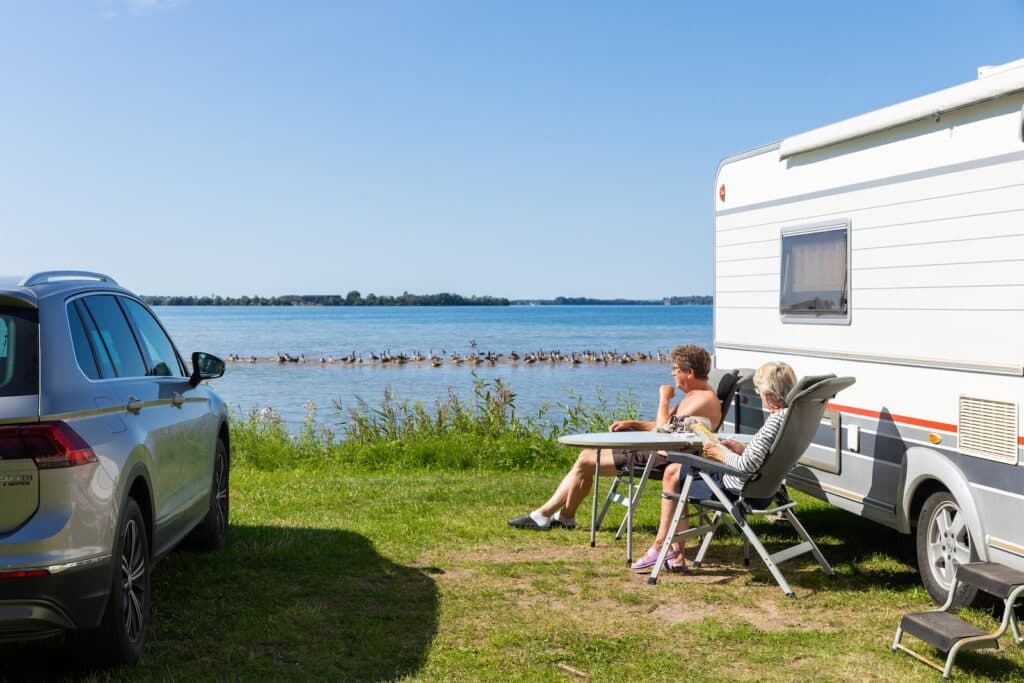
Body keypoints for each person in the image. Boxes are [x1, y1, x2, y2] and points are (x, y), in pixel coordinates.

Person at [508, 345, 722, 531]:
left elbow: (665, 428)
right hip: (659, 451)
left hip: (665, 459)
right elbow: (672, 427)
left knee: (586, 461)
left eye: (675, 370)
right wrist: (633, 424)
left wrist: (663, 399)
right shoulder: (695, 395)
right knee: (586, 457)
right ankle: (561, 517)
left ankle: (547, 515)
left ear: (690, 372)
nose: (673, 375)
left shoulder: (702, 398)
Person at [631, 360, 797, 572]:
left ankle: (663, 546)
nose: (757, 394)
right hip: (766, 489)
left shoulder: (774, 422)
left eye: (758, 389)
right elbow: (768, 456)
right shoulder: (790, 418)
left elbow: (745, 467)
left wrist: (718, 453)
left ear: (768, 393)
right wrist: (739, 447)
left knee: (673, 473)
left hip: (740, 491)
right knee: (677, 473)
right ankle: (675, 554)